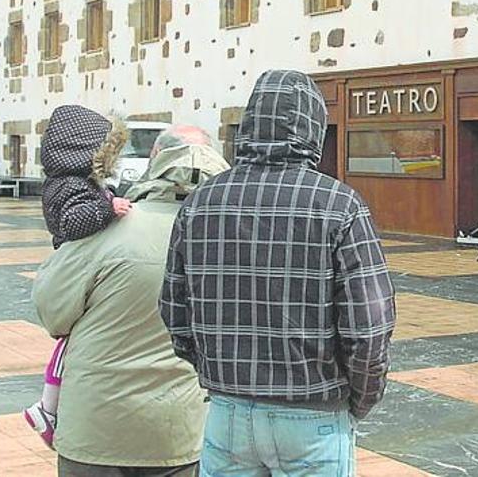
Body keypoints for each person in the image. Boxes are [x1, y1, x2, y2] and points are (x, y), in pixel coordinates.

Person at [161, 69, 396, 477]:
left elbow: (174, 312)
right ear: (313, 128)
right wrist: (359, 400)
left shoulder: (200, 203)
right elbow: (369, 328)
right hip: (313, 414)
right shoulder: (340, 206)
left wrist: (216, 373)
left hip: (228, 411)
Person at [32, 123, 229, 477]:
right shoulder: (225, 240)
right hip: (178, 431)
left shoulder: (105, 227)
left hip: (96, 429)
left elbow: (52, 313)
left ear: (155, 158)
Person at [25, 105, 132, 447]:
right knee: (68, 342)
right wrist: (107, 208)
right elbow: (72, 222)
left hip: (81, 265)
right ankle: (46, 408)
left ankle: (51, 407)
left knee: (71, 341)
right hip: (76, 268)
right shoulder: (69, 184)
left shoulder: (74, 182)